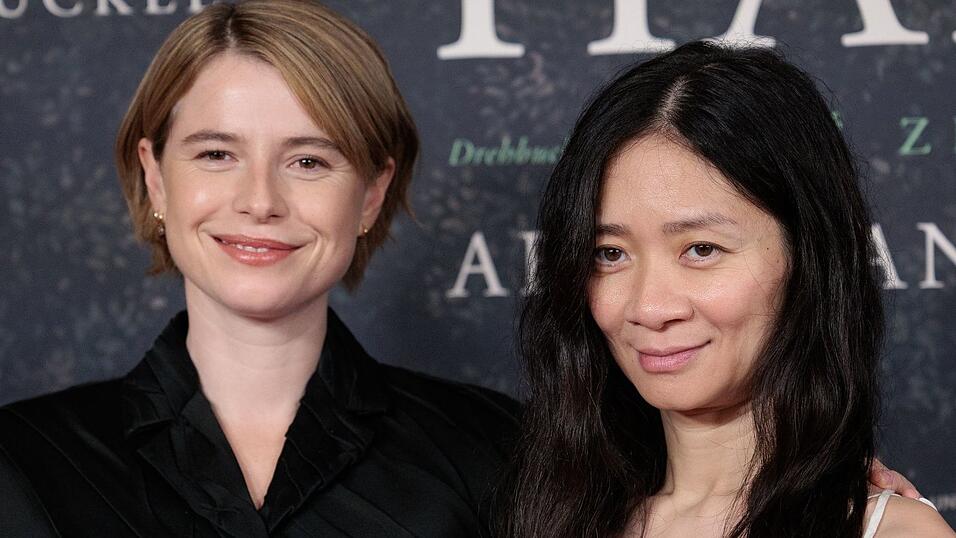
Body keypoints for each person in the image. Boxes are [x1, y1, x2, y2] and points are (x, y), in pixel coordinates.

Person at [0, 1, 517, 536]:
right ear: (155, 178)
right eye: (217, 154)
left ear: (371, 193)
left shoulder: (494, 451)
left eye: (309, 161)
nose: (260, 201)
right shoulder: (21, 464)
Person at [497, 41, 954, 537]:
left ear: (808, 257)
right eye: (610, 253)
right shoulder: (548, 516)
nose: (650, 306)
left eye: (701, 249)